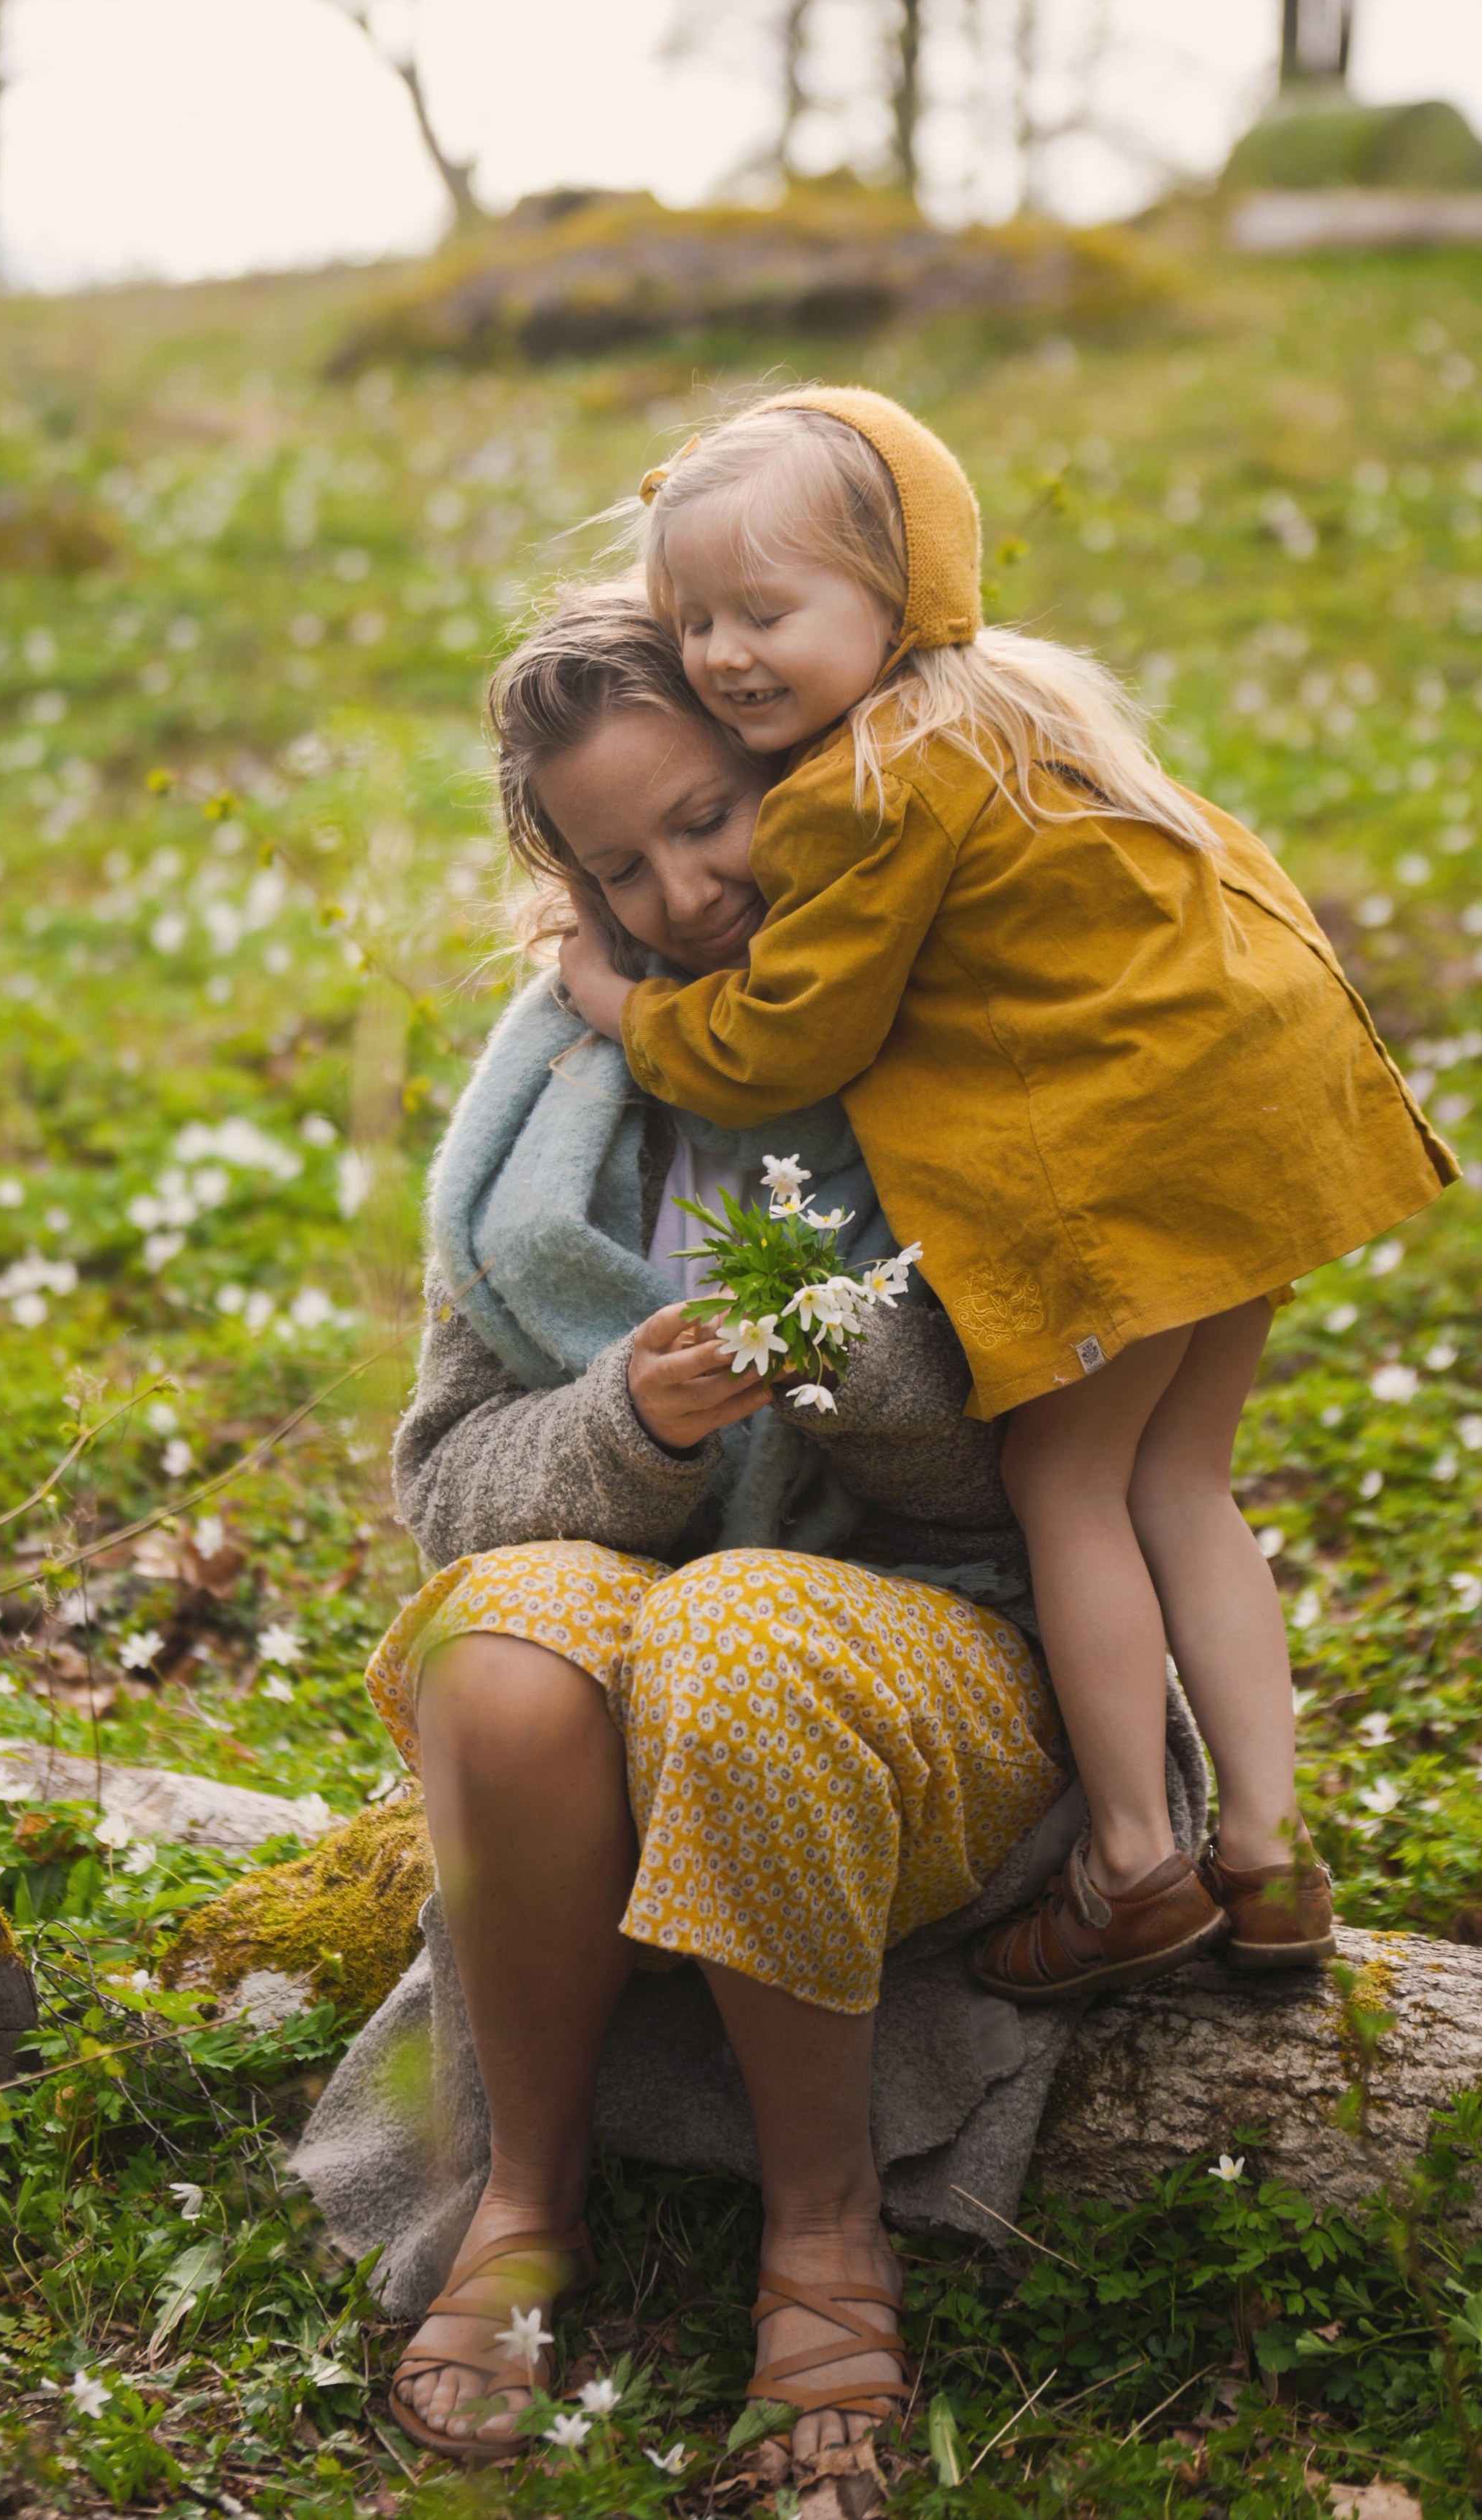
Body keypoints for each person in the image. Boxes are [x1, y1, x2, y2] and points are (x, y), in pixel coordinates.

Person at [289, 583, 1209, 2476]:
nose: (687, 892)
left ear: (805, 763)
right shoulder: (552, 1108)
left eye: (714, 819)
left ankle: (826, 2241)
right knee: (505, 1634)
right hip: (645, 1646)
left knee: (745, 1644)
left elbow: (1074, 1471)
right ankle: (522, 2196)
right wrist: (628, 1423)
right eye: (622, 866)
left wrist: (844, 1373)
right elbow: (447, 1484)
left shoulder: (970, 1009)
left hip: (950, 1659)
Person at [558, 385, 1454, 2013]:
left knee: (1066, 1484)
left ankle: (1130, 1862)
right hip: (1247, 1103)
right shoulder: (1024, 702)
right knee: (1184, 1479)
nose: (724, 656)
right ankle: (1262, 1846)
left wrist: (624, 1008)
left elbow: (781, 1040)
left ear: (901, 594)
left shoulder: (859, 783)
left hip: (1124, 1144)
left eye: (767, 610)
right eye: (693, 619)